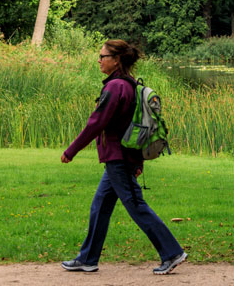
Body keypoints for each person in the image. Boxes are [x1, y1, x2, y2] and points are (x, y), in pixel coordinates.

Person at [60, 39, 186, 275]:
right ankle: (87, 258)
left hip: (119, 158)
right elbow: (133, 124)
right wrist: (137, 161)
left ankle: (172, 253)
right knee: (100, 206)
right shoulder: (128, 85)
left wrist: (71, 151)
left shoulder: (115, 87)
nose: (99, 60)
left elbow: (96, 123)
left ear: (116, 60)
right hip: (120, 158)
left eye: (102, 56)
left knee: (136, 205)